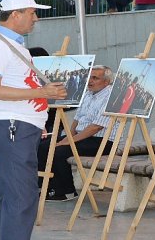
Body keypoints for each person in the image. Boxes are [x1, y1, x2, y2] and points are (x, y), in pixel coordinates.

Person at [0, 0, 67, 240]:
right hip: (12, 127)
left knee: (10, 194)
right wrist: (42, 91)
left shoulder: (12, 45)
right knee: (22, 196)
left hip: (17, 127)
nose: (35, 18)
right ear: (15, 15)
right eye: (32, 12)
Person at [37, 65, 116, 201]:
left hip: (101, 141)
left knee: (60, 151)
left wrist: (69, 141)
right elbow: (77, 119)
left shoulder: (110, 97)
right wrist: (68, 135)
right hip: (82, 137)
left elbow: (95, 127)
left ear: (106, 82)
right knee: (43, 146)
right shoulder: (88, 94)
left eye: (95, 78)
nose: (90, 81)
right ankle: (47, 187)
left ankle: (66, 192)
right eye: (89, 77)